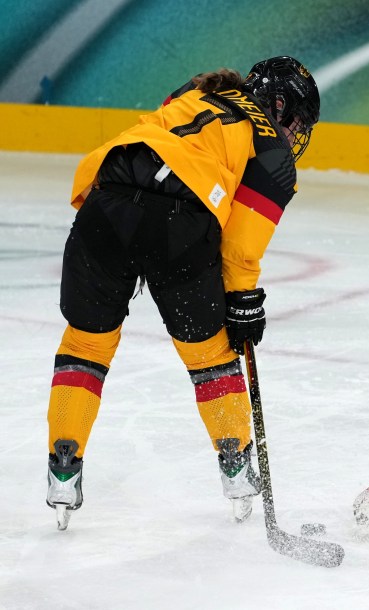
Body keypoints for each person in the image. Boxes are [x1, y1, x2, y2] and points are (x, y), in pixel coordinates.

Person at [45, 56, 320, 529]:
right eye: (295, 119)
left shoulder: (195, 91)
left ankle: (62, 473)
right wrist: (243, 302)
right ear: (277, 105)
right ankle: (236, 469)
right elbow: (241, 249)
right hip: (178, 225)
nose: (294, 132)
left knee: (85, 345)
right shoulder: (272, 150)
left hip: (104, 206)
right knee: (210, 354)